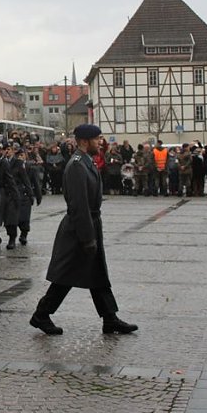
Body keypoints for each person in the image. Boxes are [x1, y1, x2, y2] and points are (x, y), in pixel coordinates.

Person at [30, 124, 137, 336]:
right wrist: (87, 238)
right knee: (65, 276)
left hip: (90, 223)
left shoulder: (87, 161)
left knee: (97, 273)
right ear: (85, 141)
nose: (101, 142)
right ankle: (41, 314)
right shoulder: (77, 165)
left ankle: (110, 318)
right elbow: (79, 204)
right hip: (79, 227)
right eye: (97, 139)